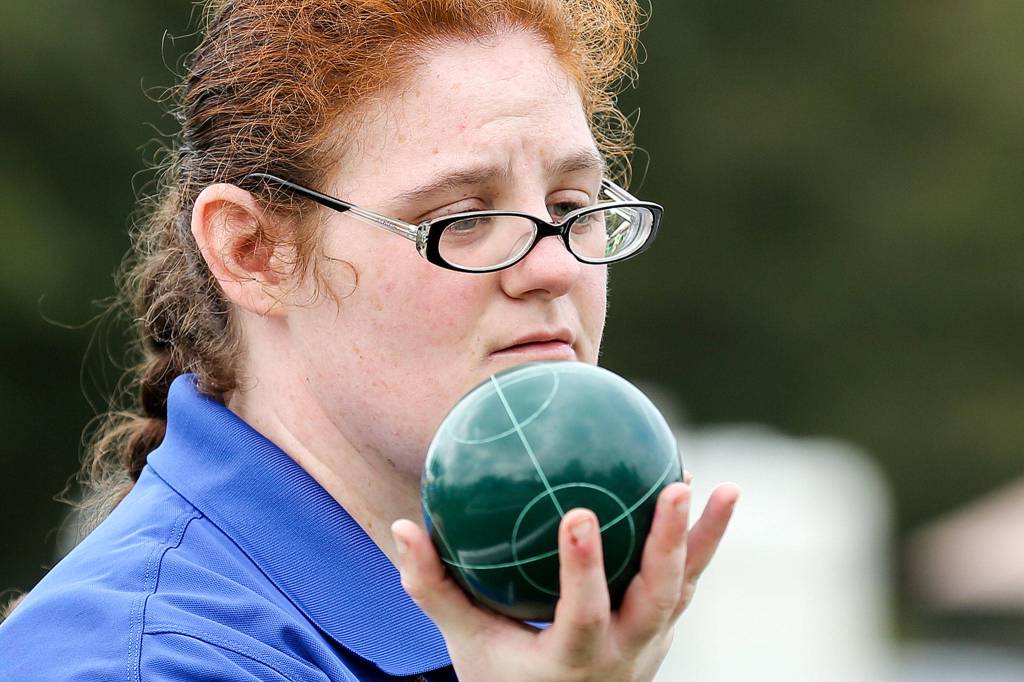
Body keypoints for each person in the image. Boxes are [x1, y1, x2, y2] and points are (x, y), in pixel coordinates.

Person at [0, 0, 740, 679]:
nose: (553, 266)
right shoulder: (136, 659)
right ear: (251, 252)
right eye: (463, 218)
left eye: (570, 204)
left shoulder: (544, 616)